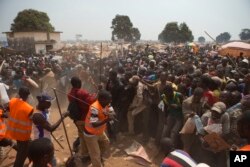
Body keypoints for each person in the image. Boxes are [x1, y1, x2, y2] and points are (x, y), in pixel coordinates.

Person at [31, 93, 69, 166]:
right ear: (42, 103)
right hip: (41, 143)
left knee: (49, 161)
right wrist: (63, 116)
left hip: (47, 140)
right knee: (49, 161)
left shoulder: (44, 109)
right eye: (48, 102)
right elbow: (51, 128)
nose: (50, 104)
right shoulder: (37, 116)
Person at [84, 90, 115, 167]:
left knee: (106, 143)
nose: (110, 101)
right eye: (108, 99)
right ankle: (96, 163)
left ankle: (96, 158)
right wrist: (107, 119)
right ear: (102, 99)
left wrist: (111, 114)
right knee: (95, 155)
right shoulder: (94, 108)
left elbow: (112, 112)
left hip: (99, 131)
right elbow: (94, 124)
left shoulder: (107, 104)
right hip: (91, 134)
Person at [67, 76, 96, 158]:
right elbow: (91, 102)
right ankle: (86, 153)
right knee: (88, 137)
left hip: (77, 119)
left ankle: (82, 151)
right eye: (80, 82)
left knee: (82, 136)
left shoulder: (70, 93)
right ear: (77, 83)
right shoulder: (82, 92)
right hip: (85, 118)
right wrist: (95, 95)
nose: (81, 83)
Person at [5, 87, 34, 167]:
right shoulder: (28, 108)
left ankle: (33, 161)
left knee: (31, 147)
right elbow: (34, 120)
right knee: (20, 158)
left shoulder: (12, 101)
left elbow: (7, 110)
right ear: (27, 96)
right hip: (23, 137)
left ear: (19, 93)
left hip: (15, 133)